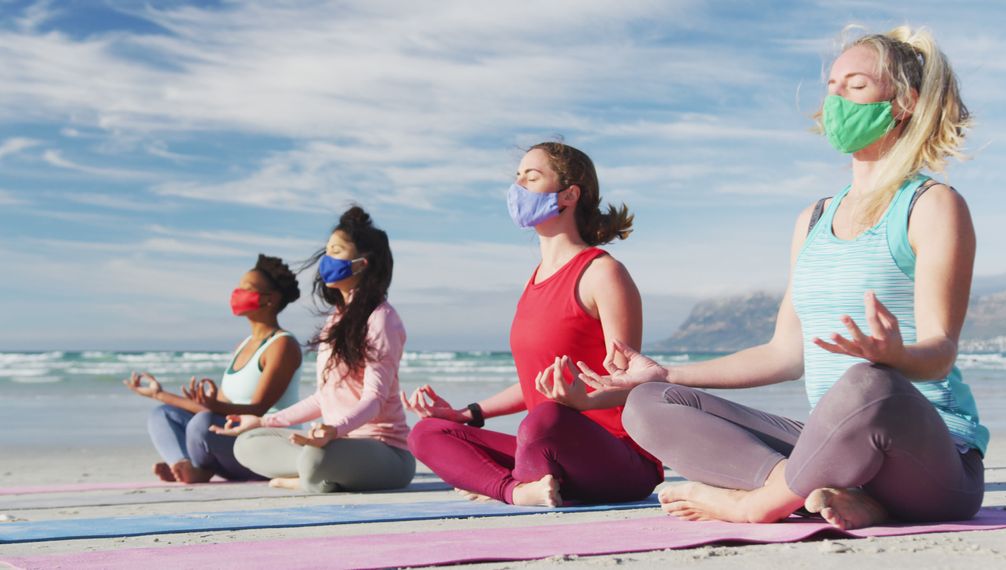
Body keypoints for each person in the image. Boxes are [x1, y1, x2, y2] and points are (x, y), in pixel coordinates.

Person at [579, 26, 989, 530]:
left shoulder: (932, 206)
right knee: (648, 404)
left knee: (868, 382)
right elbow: (785, 353)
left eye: (854, 86)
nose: (835, 98)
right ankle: (814, 489)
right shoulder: (813, 219)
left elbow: (941, 349)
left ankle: (759, 503)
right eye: (832, 86)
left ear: (903, 102)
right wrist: (667, 374)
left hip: (933, 461)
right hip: (836, 450)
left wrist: (896, 357)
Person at [403, 142, 663, 507]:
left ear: (569, 194)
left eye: (532, 176)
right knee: (428, 433)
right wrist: (468, 413)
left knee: (544, 421)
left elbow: (630, 384)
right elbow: (535, 383)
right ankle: (518, 490)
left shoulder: (602, 273)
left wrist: (581, 401)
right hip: (543, 444)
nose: (518, 187)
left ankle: (501, 480)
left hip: (617, 459)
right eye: (517, 177)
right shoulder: (535, 278)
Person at [211, 206, 415, 493]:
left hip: (384, 452)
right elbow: (324, 398)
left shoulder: (381, 318)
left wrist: (335, 430)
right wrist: (264, 420)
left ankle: (310, 477)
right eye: (327, 251)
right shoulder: (337, 319)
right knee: (248, 443)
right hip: (331, 442)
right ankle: (315, 476)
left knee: (318, 457)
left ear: (361, 263)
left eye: (337, 251)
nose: (326, 259)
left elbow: (374, 399)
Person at [123, 254, 304, 483]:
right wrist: (159, 394)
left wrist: (212, 407)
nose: (236, 293)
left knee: (204, 422)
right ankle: (184, 465)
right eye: (238, 287)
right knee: (162, 414)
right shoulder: (243, 346)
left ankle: (199, 469)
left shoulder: (282, 345)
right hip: (234, 439)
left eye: (245, 289)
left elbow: (258, 410)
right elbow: (215, 408)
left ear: (271, 299)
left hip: (265, 447)